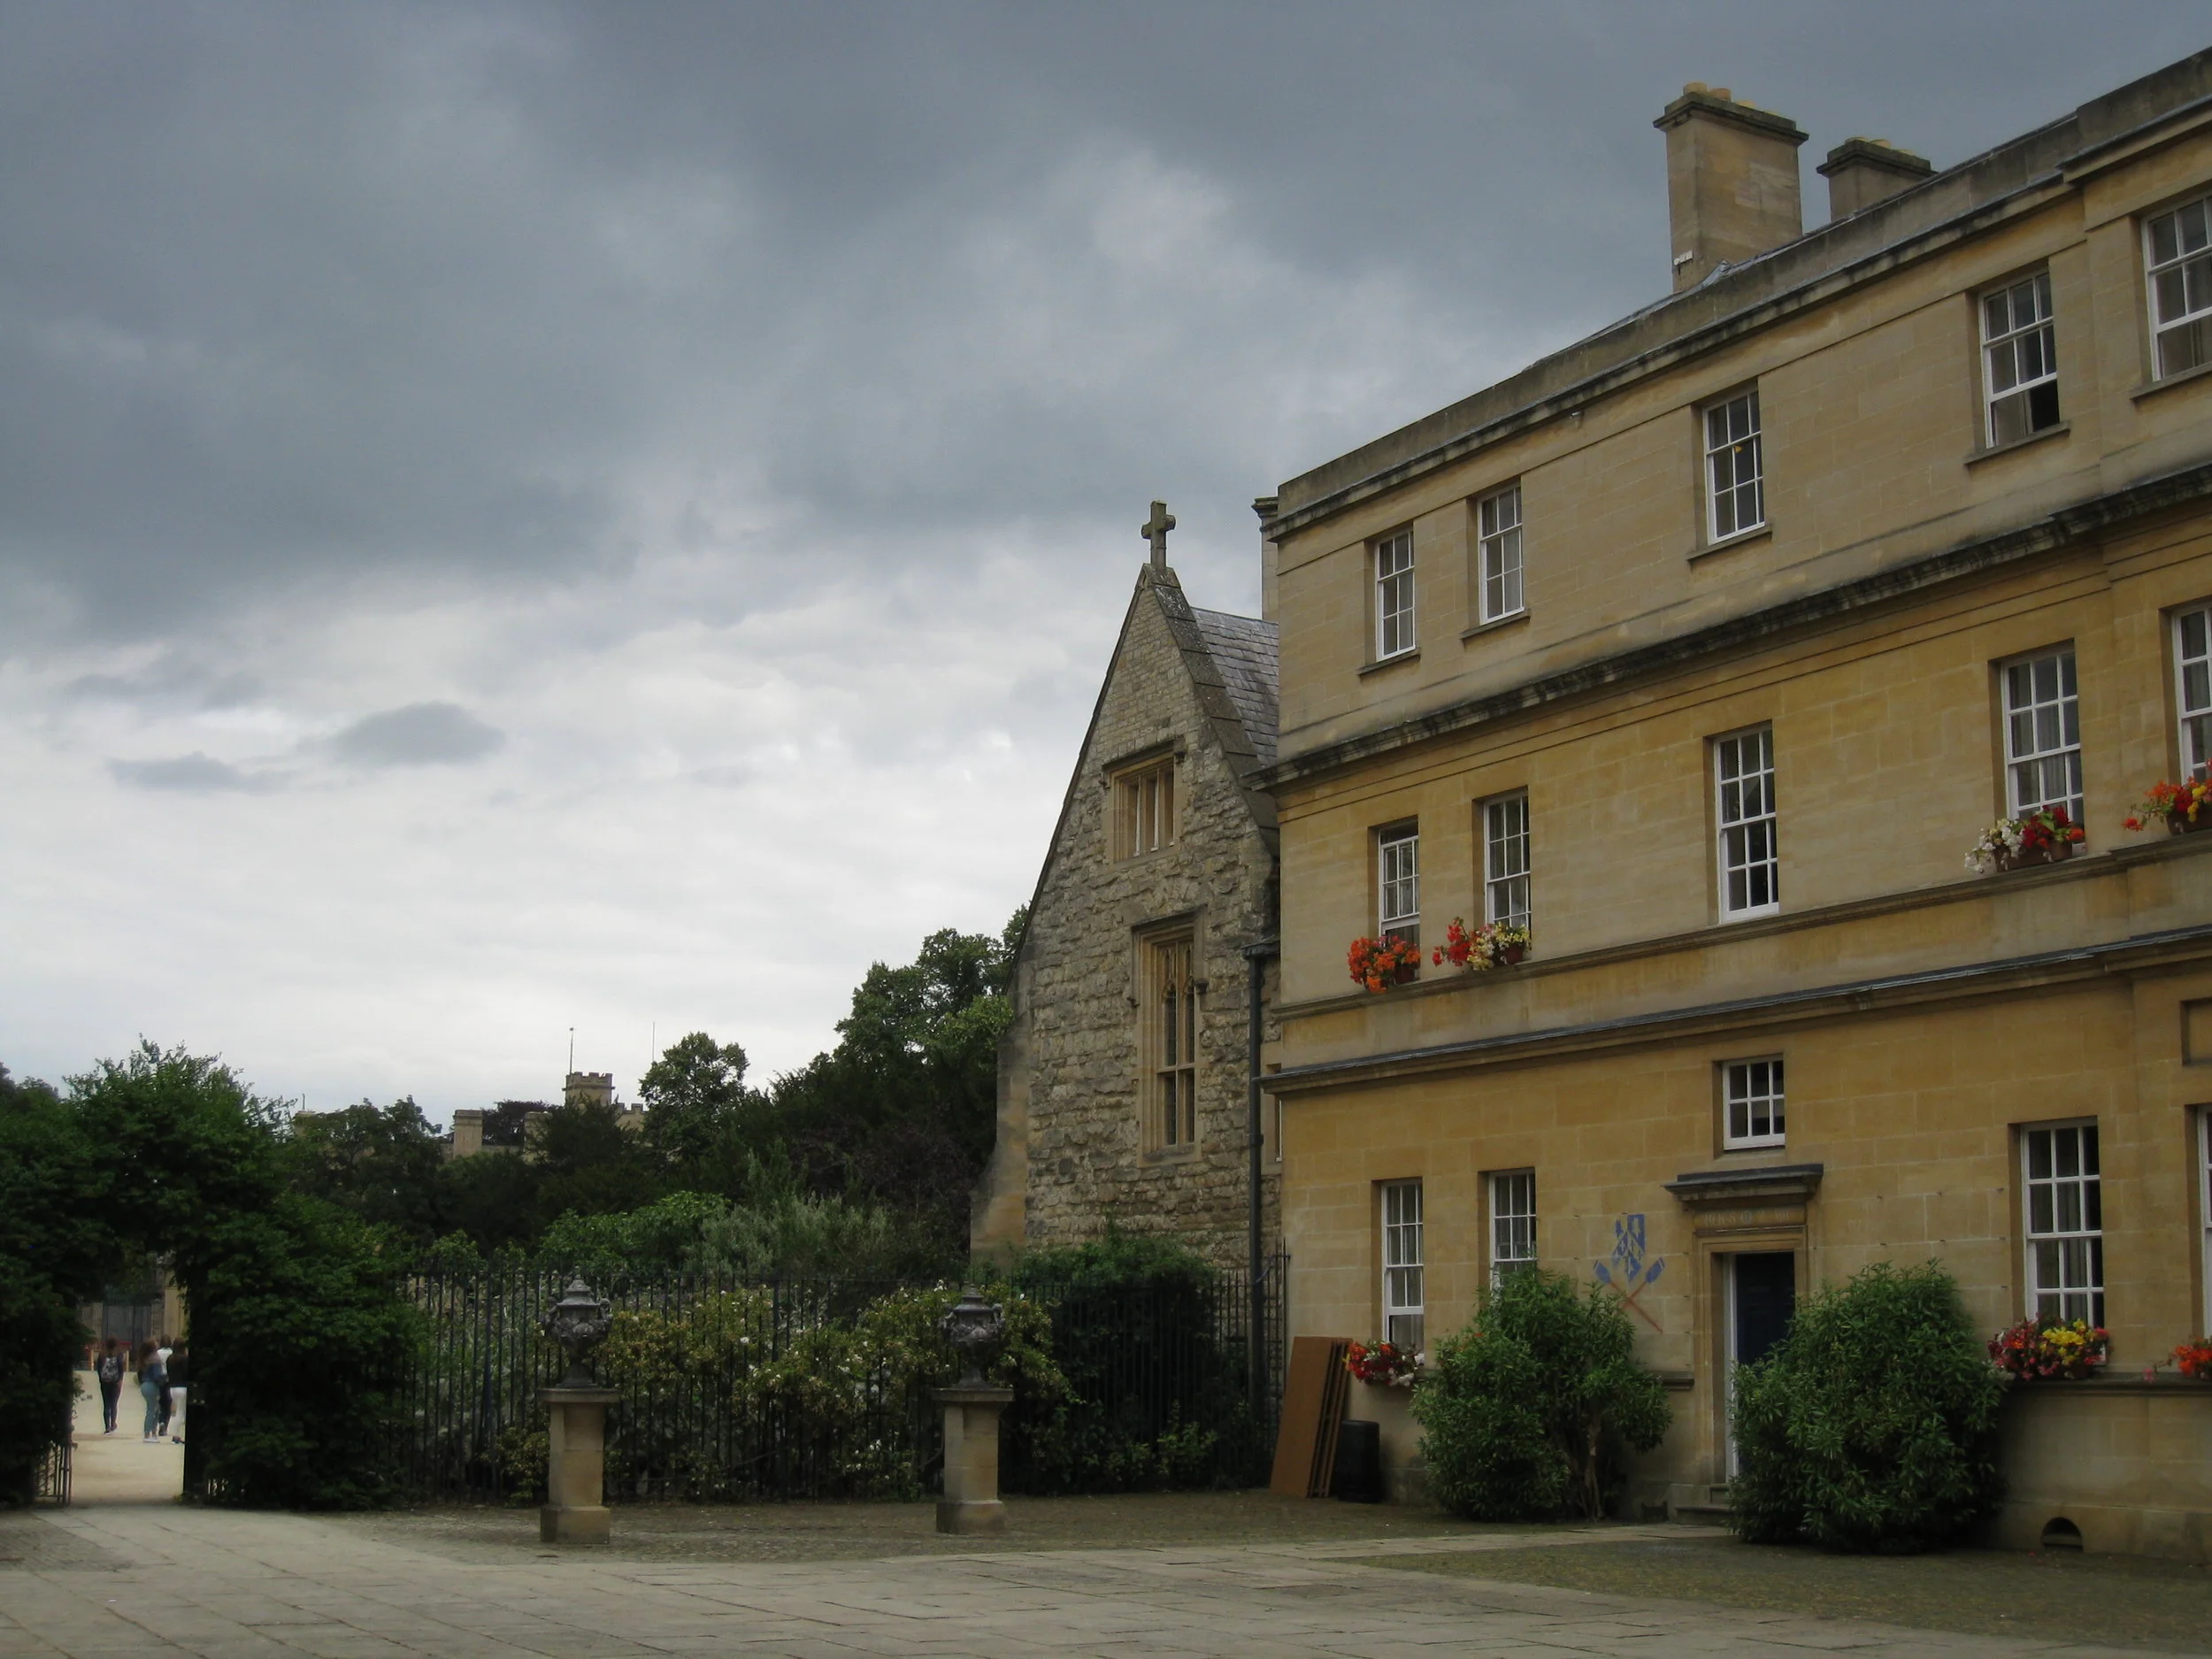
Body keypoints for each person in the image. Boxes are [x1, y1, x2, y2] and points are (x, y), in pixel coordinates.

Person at [94, 1338, 126, 1434]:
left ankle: (107, 1427)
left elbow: (98, 1368)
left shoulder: (102, 1354)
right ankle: (113, 1424)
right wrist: (120, 1380)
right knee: (114, 1404)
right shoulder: (119, 1354)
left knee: (106, 1404)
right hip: (115, 1382)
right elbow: (121, 1368)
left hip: (105, 1382)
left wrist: (101, 1379)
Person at [137, 1340, 165, 1442]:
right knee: (152, 1410)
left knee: (154, 1410)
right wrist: (165, 1379)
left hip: (145, 1385)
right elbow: (156, 1376)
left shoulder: (147, 1358)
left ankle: (152, 1433)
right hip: (152, 1385)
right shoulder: (155, 1359)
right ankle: (148, 1434)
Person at [165, 1345, 188, 1445]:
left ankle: (176, 1434)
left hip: (172, 1387)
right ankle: (176, 1435)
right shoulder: (184, 1359)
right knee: (180, 1411)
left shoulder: (170, 1359)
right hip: (182, 1387)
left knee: (177, 1411)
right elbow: (186, 1373)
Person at [153, 1336, 175, 1438]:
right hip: (170, 1378)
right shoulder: (172, 1353)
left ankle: (161, 1421)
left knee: (160, 1403)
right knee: (168, 1403)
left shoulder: (158, 1353)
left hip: (160, 1378)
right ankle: (165, 1425)